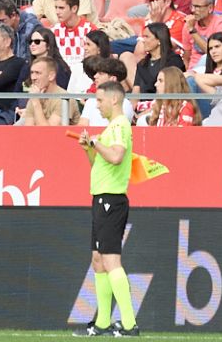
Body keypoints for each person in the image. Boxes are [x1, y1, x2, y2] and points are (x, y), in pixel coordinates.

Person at [75, 81, 140, 338]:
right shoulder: (111, 127)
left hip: (111, 200)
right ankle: (102, 323)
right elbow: (100, 163)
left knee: (111, 260)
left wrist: (95, 143)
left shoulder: (120, 125)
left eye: (100, 100)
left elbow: (116, 156)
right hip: (102, 197)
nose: (97, 105)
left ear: (114, 100)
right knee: (98, 260)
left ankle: (129, 323)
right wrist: (89, 149)